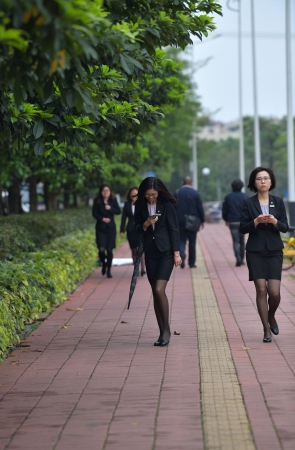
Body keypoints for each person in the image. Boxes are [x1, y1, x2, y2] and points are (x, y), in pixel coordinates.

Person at [240, 167, 289, 343]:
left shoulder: (278, 201)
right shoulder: (248, 203)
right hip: (255, 251)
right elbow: (242, 228)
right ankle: (266, 329)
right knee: (261, 289)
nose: (263, 181)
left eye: (266, 178)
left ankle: (271, 316)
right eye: (259, 179)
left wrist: (275, 221)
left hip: (274, 250)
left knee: (274, 293)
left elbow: (285, 227)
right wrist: (256, 221)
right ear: (254, 183)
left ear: (271, 182)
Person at [134, 177, 182, 347]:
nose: (151, 198)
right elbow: (136, 228)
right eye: (147, 195)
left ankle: (166, 330)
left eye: (153, 194)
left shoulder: (166, 205)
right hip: (151, 252)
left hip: (167, 252)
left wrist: (177, 253)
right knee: (155, 292)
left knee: (159, 288)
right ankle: (161, 330)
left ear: (159, 192)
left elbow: (174, 229)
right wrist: (146, 223)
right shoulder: (140, 206)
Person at [174, 176, 205, 268]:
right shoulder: (195, 193)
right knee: (192, 242)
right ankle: (191, 263)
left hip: (180, 220)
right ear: (191, 183)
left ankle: (182, 254)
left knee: (181, 240)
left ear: (182, 182)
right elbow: (200, 207)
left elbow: (173, 206)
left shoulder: (177, 192)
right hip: (193, 221)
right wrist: (202, 220)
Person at [92, 184, 121, 278]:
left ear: (110, 191)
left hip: (111, 228)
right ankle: (103, 263)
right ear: (101, 192)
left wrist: (111, 209)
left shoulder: (113, 200)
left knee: (109, 249)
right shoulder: (97, 200)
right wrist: (102, 219)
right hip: (100, 228)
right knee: (101, 249)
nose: (106, 192)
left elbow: (118, 211)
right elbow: (94, 213)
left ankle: (108, 270)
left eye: (107, 190)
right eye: (104, 190)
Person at [120, 186, 146, 276]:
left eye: (136, 194)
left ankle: (143, 268)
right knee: (134, 250)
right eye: (132, 195)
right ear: (129, 196)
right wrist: (121, 230)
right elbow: (123, 218)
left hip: (141, 229)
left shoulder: (143, 204)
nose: (134, 196)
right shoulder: (127, 204)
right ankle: (136, 269)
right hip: (131, 230)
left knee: (140, 249)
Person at [222, 179, 248, 266]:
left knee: (235, 241)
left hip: (233, 222)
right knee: (242, 241)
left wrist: (226, 219)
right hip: (243, 222)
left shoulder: (228, 196)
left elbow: (225, 210)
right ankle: (242, 258)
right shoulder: (245, 196)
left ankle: (238, 258)